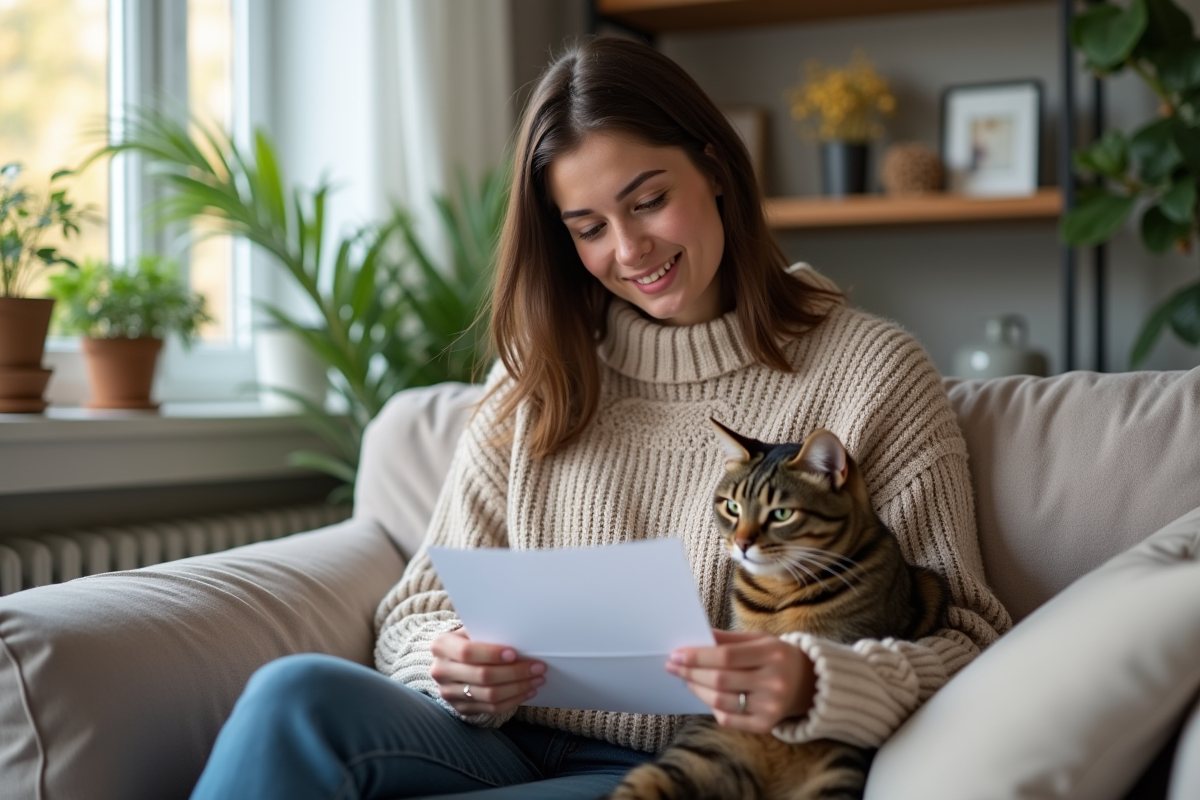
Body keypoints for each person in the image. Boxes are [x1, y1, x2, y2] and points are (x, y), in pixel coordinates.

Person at [189, 36, 1011, 800]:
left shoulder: (871, 371)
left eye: (648, 201)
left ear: (718, 170)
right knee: (291, 695)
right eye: (588, 228)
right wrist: (450, 667)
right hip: (498, 742)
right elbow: (416, 609)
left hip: (688, 770)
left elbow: (967, 638)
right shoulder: (538, 377)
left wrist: (814, 683)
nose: (629, 251)